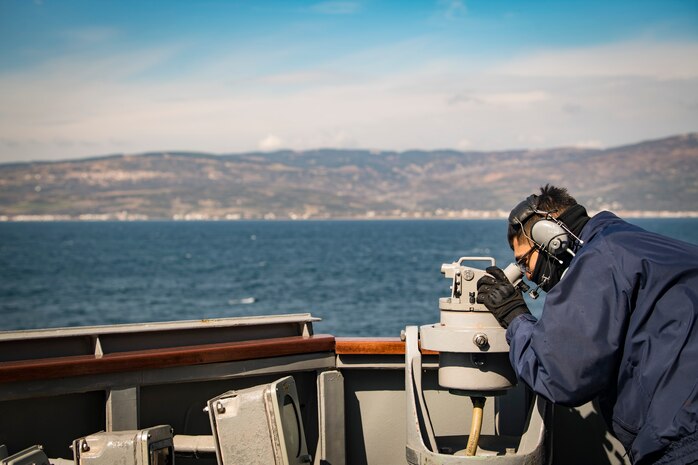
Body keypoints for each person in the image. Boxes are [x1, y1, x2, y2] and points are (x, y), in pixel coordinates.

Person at [476, 185, 698, 465]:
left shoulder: (597, 260)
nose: (528, 275)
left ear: (550, 237)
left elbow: (561, 377)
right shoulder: (627, 244)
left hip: (685, 439)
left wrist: (514, 315)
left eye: (524, 261)